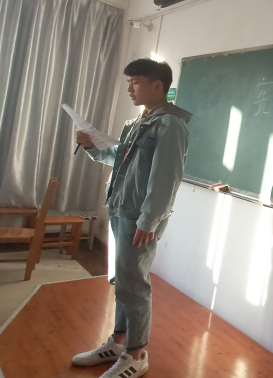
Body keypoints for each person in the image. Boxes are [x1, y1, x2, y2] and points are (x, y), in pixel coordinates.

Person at [71, 58, 191, 378]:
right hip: (120, 209)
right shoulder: (137, 122)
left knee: (135, 285)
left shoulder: (171, 125)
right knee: (123, 281)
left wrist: (148, 221)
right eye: (129, 82)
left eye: (135, 82)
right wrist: (92, 146)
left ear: (157, 85)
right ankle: (119, 342)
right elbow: (118, 158)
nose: (129, 89)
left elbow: (166, 178)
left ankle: (136, 355)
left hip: (139, 219)